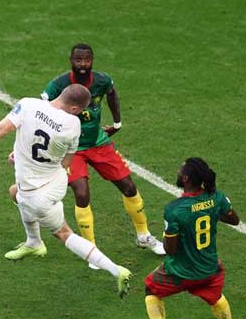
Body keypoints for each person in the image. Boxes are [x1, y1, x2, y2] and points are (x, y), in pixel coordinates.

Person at [0, 84, 133, 298]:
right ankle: (34, 243)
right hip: (56, 180)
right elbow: (66, 161)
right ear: (76, 109)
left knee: (63, 233)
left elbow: (0, 129)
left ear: (62, 93)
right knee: (15, 193)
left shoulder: (27, 105)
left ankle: (116, 270)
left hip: (37, 194)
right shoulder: (74, 124)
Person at [41, 43, 165, 264]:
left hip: (98, 143)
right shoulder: (59, 84)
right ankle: (91, 250)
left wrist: (117, 123)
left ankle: (144, 235)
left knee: (128, 186)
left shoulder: (101, 80)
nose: (82, 64)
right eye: (78, 60)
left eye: (86, 60)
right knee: (81, 193)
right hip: (73, 148)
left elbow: (112, 93)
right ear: (71, 60)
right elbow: (42, 108)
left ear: (92, 60)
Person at [144, 157, 240, 319]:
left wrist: (168, 233)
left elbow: (169, 250)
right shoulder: (216, 197)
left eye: (181, 170)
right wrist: (211, 212)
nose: (178, 172)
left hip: (180, 272)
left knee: (150, 291)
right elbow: (234, 220)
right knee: (216, 297)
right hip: (208, 269)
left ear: (186, 178)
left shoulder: (175, 209)